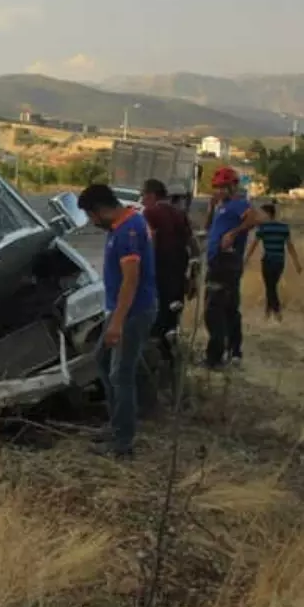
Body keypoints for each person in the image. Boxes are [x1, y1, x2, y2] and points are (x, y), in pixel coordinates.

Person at [78, 183, 158, 459]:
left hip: (133, 312)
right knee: (102, 360)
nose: (92, 222)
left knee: (120, 375)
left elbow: (131, 279)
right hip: (123, 310)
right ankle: (117, 427)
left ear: (100, 210)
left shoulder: (128, 231)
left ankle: (123, 443)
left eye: (91, 216)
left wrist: (117, 323)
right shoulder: (123, 225)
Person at [204, 166, 262, 369]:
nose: (218, 191)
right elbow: (208, 228)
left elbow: (254, 218)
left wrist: (234, 234)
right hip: (218, 261)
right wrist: (211, 209)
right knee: (229, 308)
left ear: (232, 186)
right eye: (216, 187)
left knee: (214, 310)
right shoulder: (222, 206)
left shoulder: (239, 204)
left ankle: (215, 357)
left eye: (221, 187)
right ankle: (234, 351)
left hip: (225, 262)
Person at [139, 179, 199, 368]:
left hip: (159, 274)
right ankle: (171, 359)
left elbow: (151, 243)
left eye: (143, 196)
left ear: (151, 195)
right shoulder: (180, 214)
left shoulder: (150, 213)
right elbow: (193, 245)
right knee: (171, 319)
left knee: (155, 321)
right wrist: (194, 276)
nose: (141, 201)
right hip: (178, 276)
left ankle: (156, 364)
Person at [246, 202, 302, 320]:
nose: (259, 217)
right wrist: (296, 262)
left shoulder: (263, 228)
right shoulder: (283, 227)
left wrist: (246, 258)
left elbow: (253, 245)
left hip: (268, 261)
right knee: (271, 286)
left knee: (270, 286)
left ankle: (277, 312)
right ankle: (268, 312)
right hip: (280, 261)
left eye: (261, 214)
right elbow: (290, 246)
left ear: (268, 214)